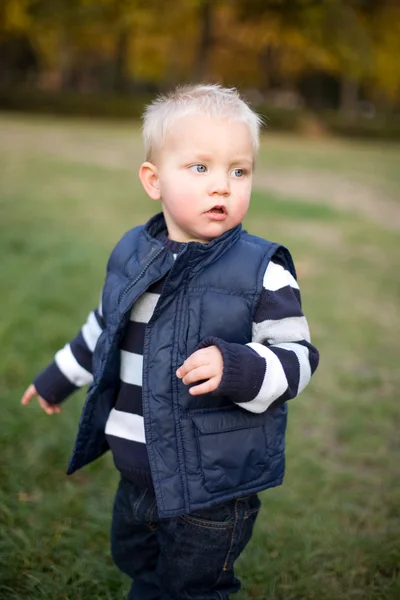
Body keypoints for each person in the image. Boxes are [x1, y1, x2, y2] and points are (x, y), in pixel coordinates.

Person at [21, 84, 319, 599]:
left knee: (195, 584)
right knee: (139, 561)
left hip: (213, 484)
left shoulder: (263, 270)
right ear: (153, 181)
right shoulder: (134, 256)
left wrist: (238, 367)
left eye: (238, 170)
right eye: (200, 169)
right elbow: (105, 326)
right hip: (137, 470)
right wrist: (57, 378)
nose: (222, 186)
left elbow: (298, 358)